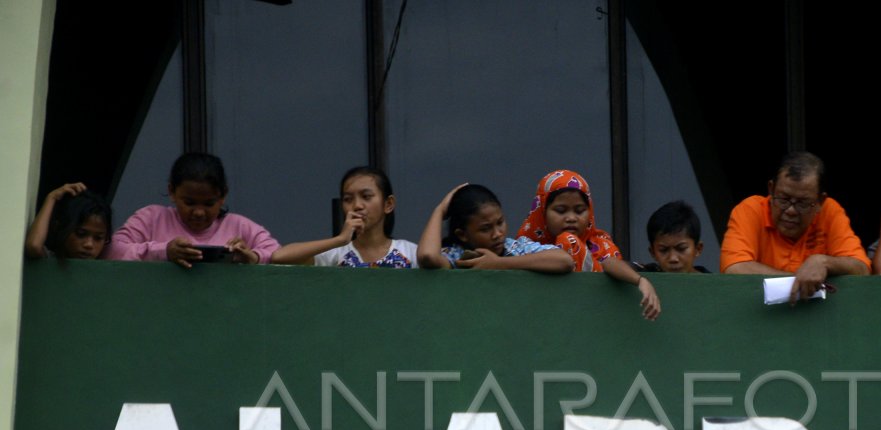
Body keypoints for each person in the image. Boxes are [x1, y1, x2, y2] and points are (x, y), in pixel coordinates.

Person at [719, 152, 869, 302]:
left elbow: (861, 269)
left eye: (802, 203)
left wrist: (823, 262)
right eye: (783, 199)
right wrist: (802, 278)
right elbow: (734, 269)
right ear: (771, 189)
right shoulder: (751, 209)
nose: (791, 210)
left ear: (820, 202)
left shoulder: (830, 211)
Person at [518, 169, 661, 320]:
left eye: (580, 211)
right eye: (561, 211)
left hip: (593, 319)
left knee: (568, 241)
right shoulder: (524, 247)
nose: (571, 218)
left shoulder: (601, 245)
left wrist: (640, 280)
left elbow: (609, 263)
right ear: (542, 211)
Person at [111, 152, 278, 268]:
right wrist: (164, 252)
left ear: (223, 196)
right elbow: (111, 251)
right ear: (171, 192)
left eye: (209, 203)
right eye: (189, 202)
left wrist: (252, 257)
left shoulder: (240, 227)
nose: (199, 212)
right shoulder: (151, 219)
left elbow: (279, 255)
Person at [272, 166, 417, 268]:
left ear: (388, 204)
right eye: (348, 199)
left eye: (366, 197)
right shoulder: (336, 254)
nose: (357, 205)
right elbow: (279, 257)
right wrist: (340, 239)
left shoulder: (409, 252)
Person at [416, 183, 572, 272]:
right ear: (462, 234)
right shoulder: (457, 257)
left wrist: (498, 263)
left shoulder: (516, 248)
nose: (497, 234)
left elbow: (564, 261)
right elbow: (427, 257)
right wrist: (440, 210)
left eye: (500, 222)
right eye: (485, 229)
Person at [25, 182, 112, 259]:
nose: (89, 244)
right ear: (59, 228)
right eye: (81, 234)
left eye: (98, 238)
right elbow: (34, 246)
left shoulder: (103, 270)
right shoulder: (50, 260)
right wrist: (52, 197)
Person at [639, 200, 709, 273]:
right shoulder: (643, 278)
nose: (673, 258)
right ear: (653, 252)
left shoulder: (714, 283)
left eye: (681, 248)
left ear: (698, 249)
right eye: (663, 250)